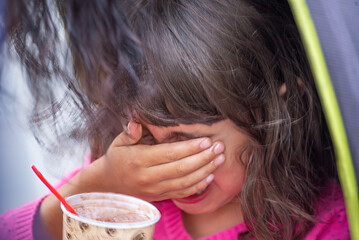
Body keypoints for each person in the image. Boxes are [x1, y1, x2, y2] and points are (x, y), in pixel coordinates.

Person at [0, 0, 349, 239]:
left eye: (185, 139)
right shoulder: (127, 188)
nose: (163, 160)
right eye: (148, 137)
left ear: (275, 110)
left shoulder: (325, 223)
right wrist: (103, 184)